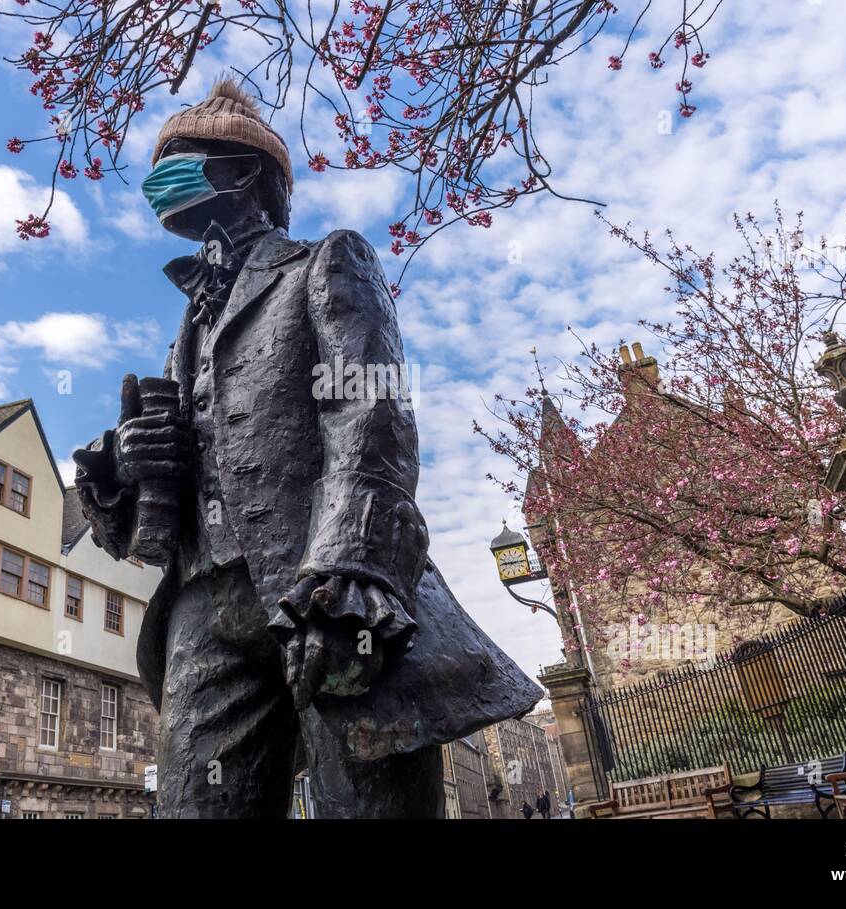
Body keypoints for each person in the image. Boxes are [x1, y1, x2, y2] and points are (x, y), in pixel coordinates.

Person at [74, 79, 539, 818]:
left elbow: (371, 414)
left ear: (245, 174)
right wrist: (130, 461)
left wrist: (350, 571)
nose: (160, 179)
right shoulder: (186, 329)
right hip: (204, 605)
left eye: (183, 160)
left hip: (316, 586)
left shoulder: (326, 264)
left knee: (367, 802)